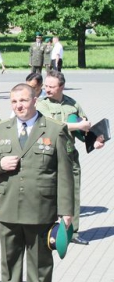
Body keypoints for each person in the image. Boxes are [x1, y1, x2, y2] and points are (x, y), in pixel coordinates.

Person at [0, 84, 74, 282]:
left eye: (23, 100)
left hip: (41, 209)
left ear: (35, 100)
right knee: (10, 265)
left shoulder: (54, 129)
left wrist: (66, 211)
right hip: (9, 208)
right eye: (14, 102)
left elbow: (65, 173)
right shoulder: (0, 129)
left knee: (40, 265)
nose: (18, 106)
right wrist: (0, 164)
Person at [36, 70, 105, 245]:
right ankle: (48, 231)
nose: (47, 89)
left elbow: (84, 129)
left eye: (51, 86)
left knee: (72, 193)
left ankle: (71, 232)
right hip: (48, 155)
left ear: (62, 87)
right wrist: (79, 125)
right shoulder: (41, 104)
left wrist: (93, 141)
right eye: (45, 86)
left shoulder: (73, 104)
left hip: (69, 155)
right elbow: (51, 125)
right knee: (48, 193)